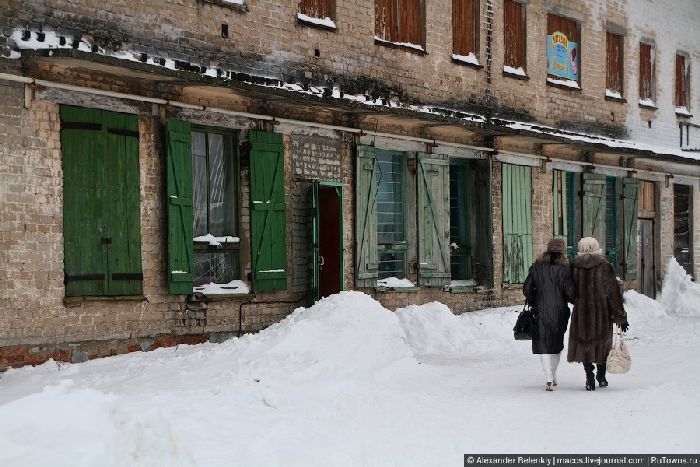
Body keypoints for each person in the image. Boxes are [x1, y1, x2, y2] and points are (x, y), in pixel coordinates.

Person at [568, 237, 629, 391]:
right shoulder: (605, 267)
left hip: (581, 313)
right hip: (602, 312)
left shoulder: (574, 267)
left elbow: (569, 293)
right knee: (602, 343)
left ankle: (589, 377)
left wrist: (579, 299)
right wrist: (620, 316)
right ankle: (601, 377)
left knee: (584, 344)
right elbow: (613, 294)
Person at [523, 238, 576, 391]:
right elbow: (570, 293)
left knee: (543, 345)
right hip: (559, 311)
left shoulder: (536, 267)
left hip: (540, 311)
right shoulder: (566, 269)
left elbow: (527, 289)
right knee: (556, 344)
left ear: (547, 250)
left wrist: (535, 301)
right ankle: (552, 374)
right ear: (563, 251)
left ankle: (548, 378)